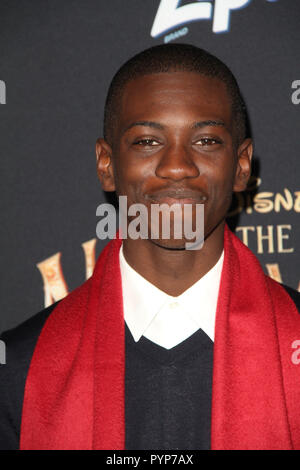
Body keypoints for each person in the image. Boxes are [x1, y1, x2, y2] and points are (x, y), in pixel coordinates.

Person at [0, 43, 299, 451]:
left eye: (207, 140)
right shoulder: (19, 368)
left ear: (242, 166)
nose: (177, 165)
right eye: (147, 141)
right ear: (107, 165)